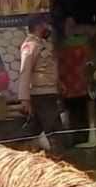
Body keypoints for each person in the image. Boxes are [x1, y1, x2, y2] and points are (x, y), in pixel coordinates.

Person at [18, 19, 64, 154]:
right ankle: (59, 159)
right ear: (38, 26)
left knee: (33, 128)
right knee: (54, 129)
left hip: (49, 91)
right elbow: (25, 72)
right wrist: (24, 98)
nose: (47, 28)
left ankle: (10, 147)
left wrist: (59, 83)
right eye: (45, 25)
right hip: (42, 94)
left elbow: (48, 69)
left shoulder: (42, 44)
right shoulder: (30, 45)